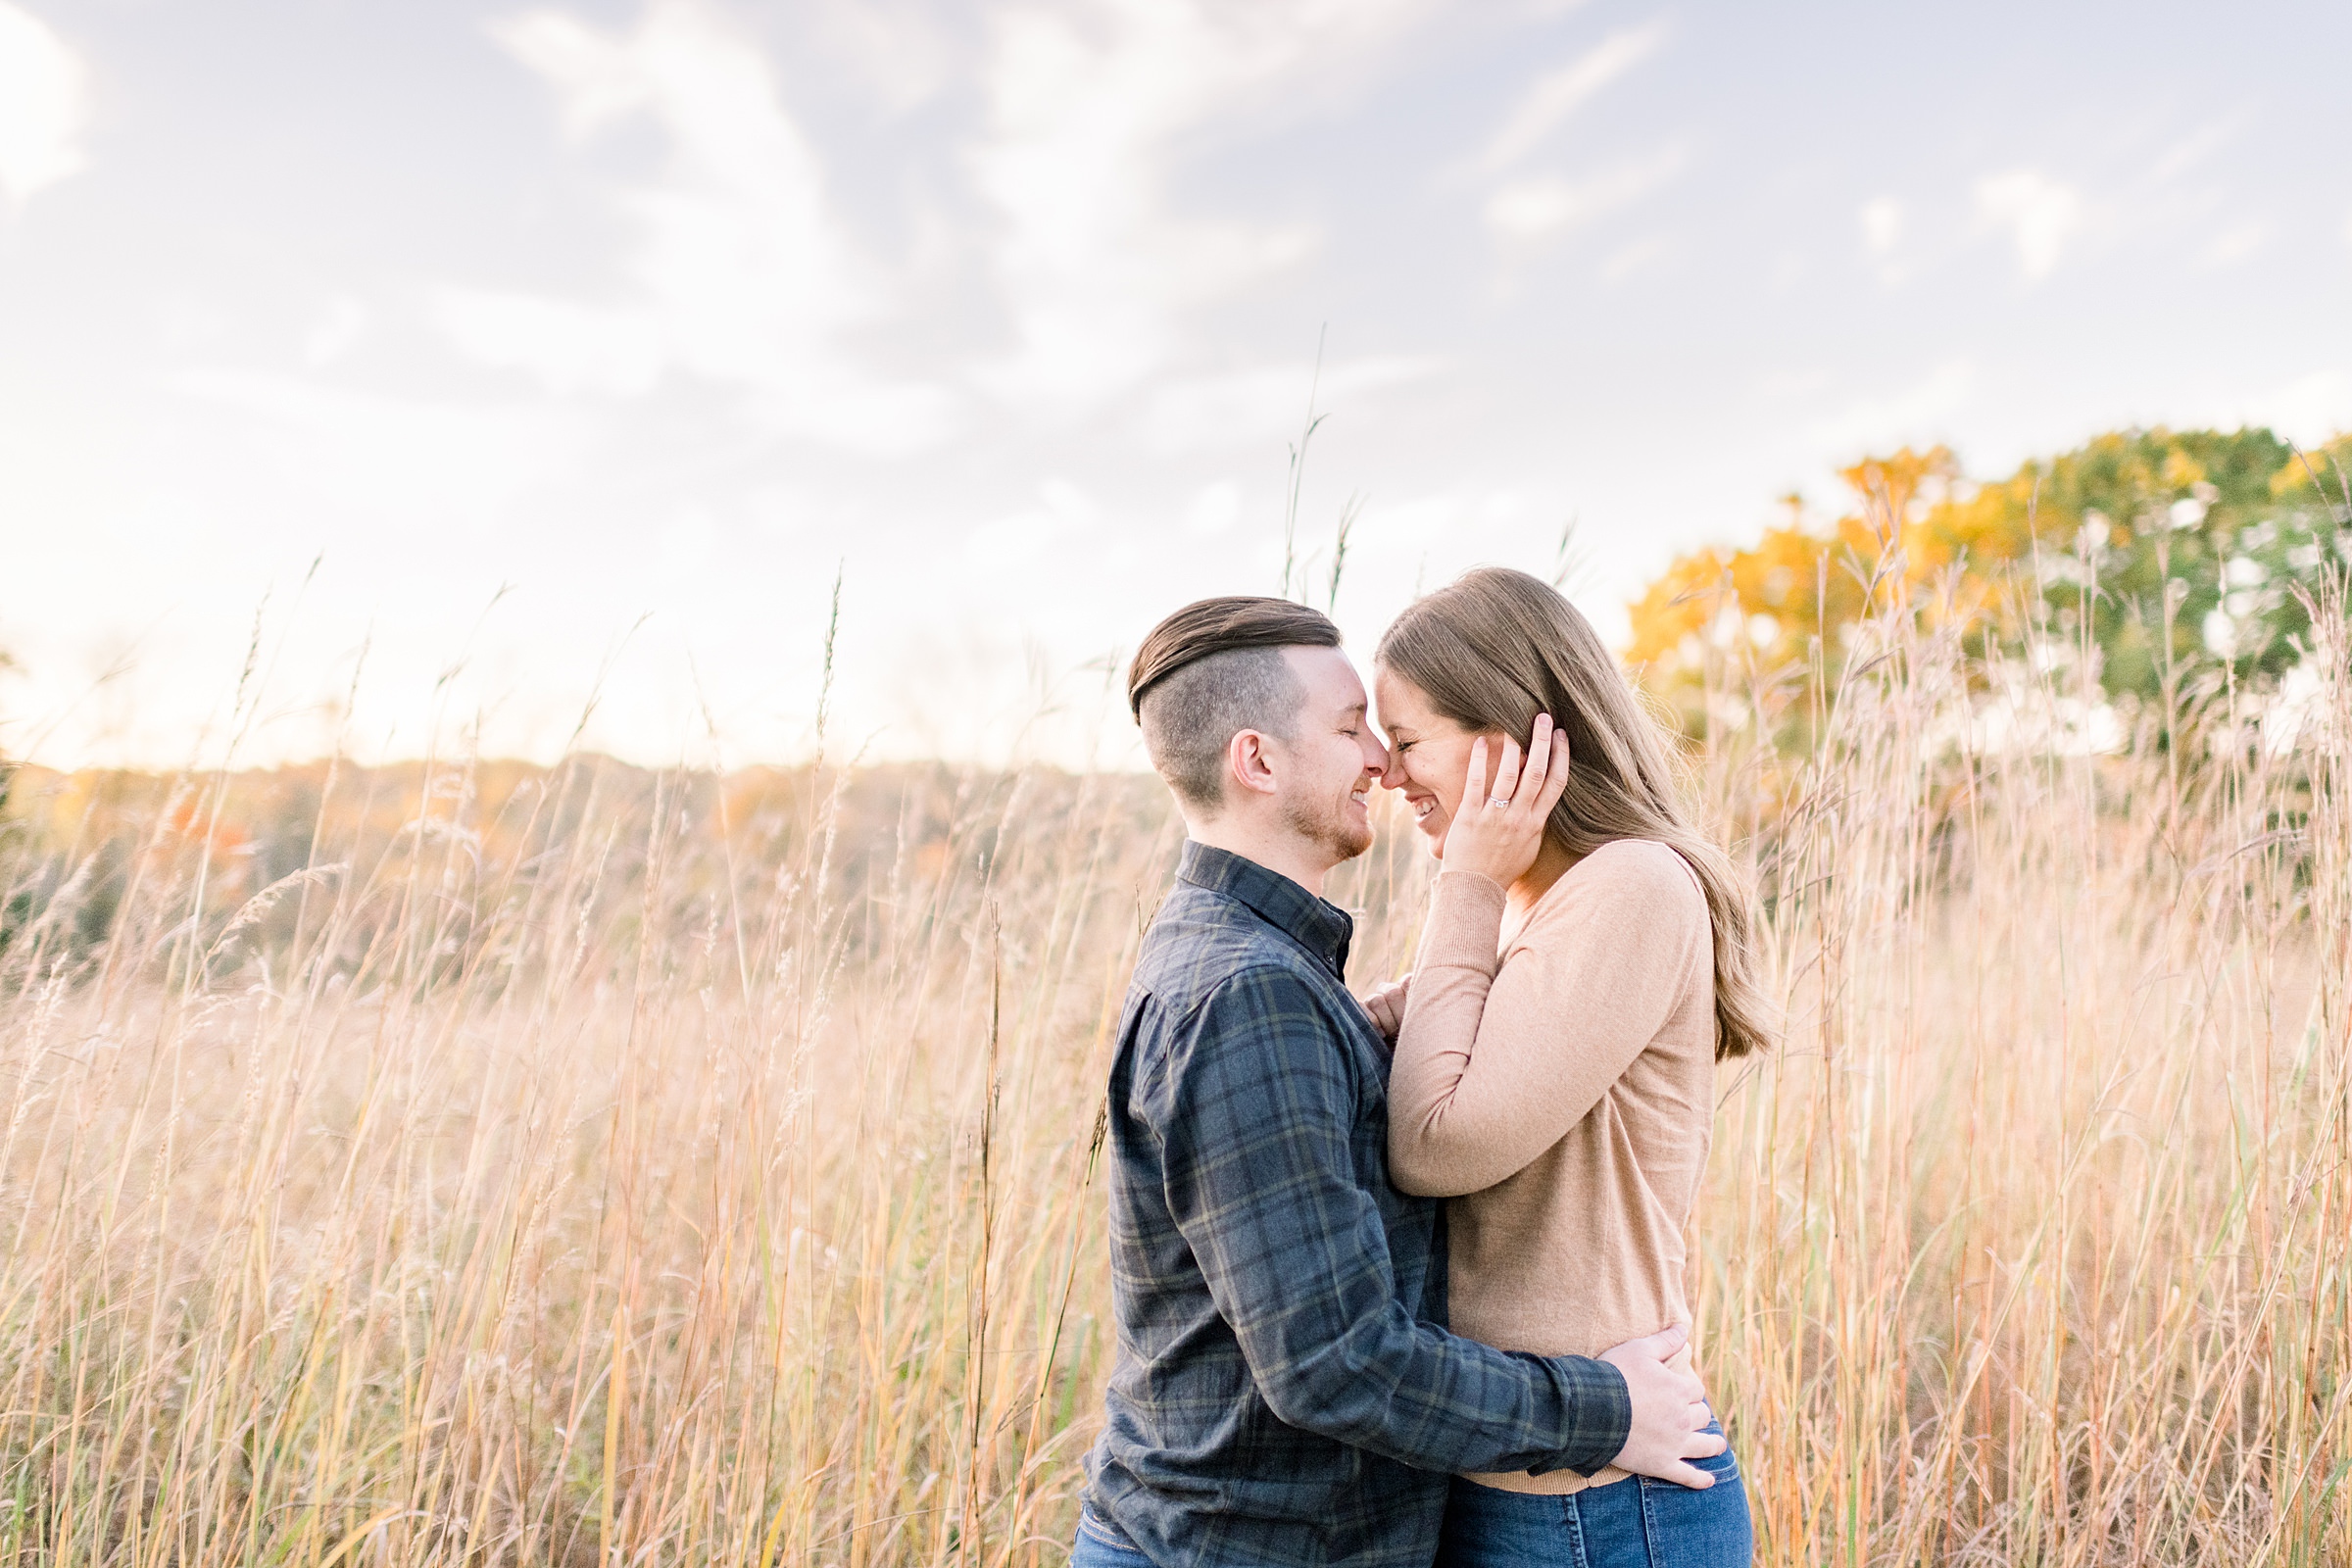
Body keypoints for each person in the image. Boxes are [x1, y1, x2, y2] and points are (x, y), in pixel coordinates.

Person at [1076, 596, 1725, 1568]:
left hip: (1551, 1502)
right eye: (1354, 730)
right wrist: (1601, 1407)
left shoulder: (1267, 970)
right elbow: (1335, 1359)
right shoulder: (1252, 991)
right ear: (1256, 760)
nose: (1381, 762)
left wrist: (1390, 1010)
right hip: (1246, 1545)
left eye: (1398, 734)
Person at [1362, 567, 1772, 1568]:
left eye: (1409, 739)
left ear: (1512, 739)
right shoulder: (1532, 906)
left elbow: (1437, 1140)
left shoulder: (1629, 888)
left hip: (1596, 1509)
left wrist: (1463, 880)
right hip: (1528, 1472)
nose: (1388, 770)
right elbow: (1377, 1040)